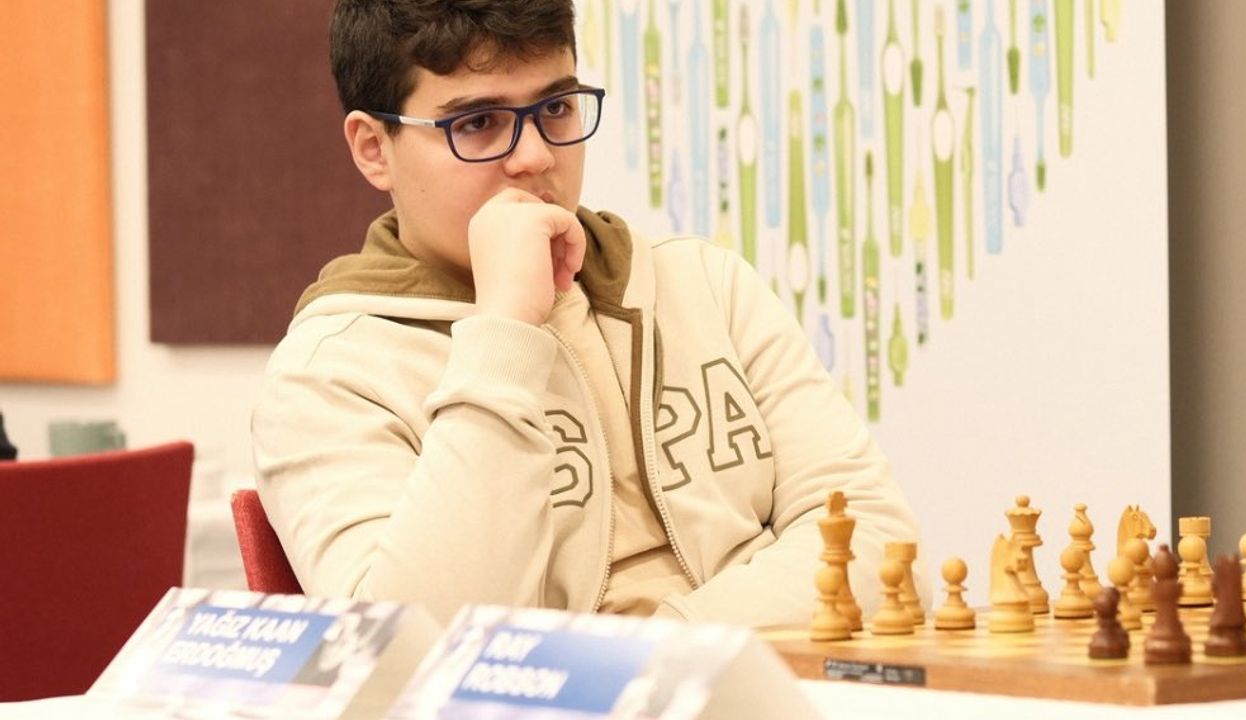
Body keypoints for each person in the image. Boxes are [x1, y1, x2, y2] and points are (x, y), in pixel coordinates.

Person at [251, 0, 927, 629]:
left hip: (755, 680)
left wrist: (663, 651)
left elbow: (878, 542)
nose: (536, 156)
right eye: (477, 123)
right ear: (374, 148)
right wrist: (505, 330)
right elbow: (417, 645)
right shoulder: (326, 375)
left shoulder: (704, 284)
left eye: (556, 108)